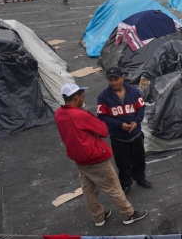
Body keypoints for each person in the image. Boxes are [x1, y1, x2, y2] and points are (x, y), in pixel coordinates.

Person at [54, 83, 147, 226]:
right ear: (77, 97)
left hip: (79, 158)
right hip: (95, 157)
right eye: (82, 96)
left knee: (89, 189)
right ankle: (128, 214)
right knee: (114, 187)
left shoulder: (59, 113)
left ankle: (98, 217)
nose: (84, 98)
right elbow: (103, 131)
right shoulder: (79, 114)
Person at [97, 67, 153, 195]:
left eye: (116, 79)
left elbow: (141, 108)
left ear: (123, 78)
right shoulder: (103, 97)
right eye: (110, 80)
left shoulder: (134, 92)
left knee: (139, 158)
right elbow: (103, 116)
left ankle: (140, 178)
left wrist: (136, 121)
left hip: (136, 134)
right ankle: (125, 183)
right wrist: (119, 124)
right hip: (118, 137)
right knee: (122, 162)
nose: (113, 82)